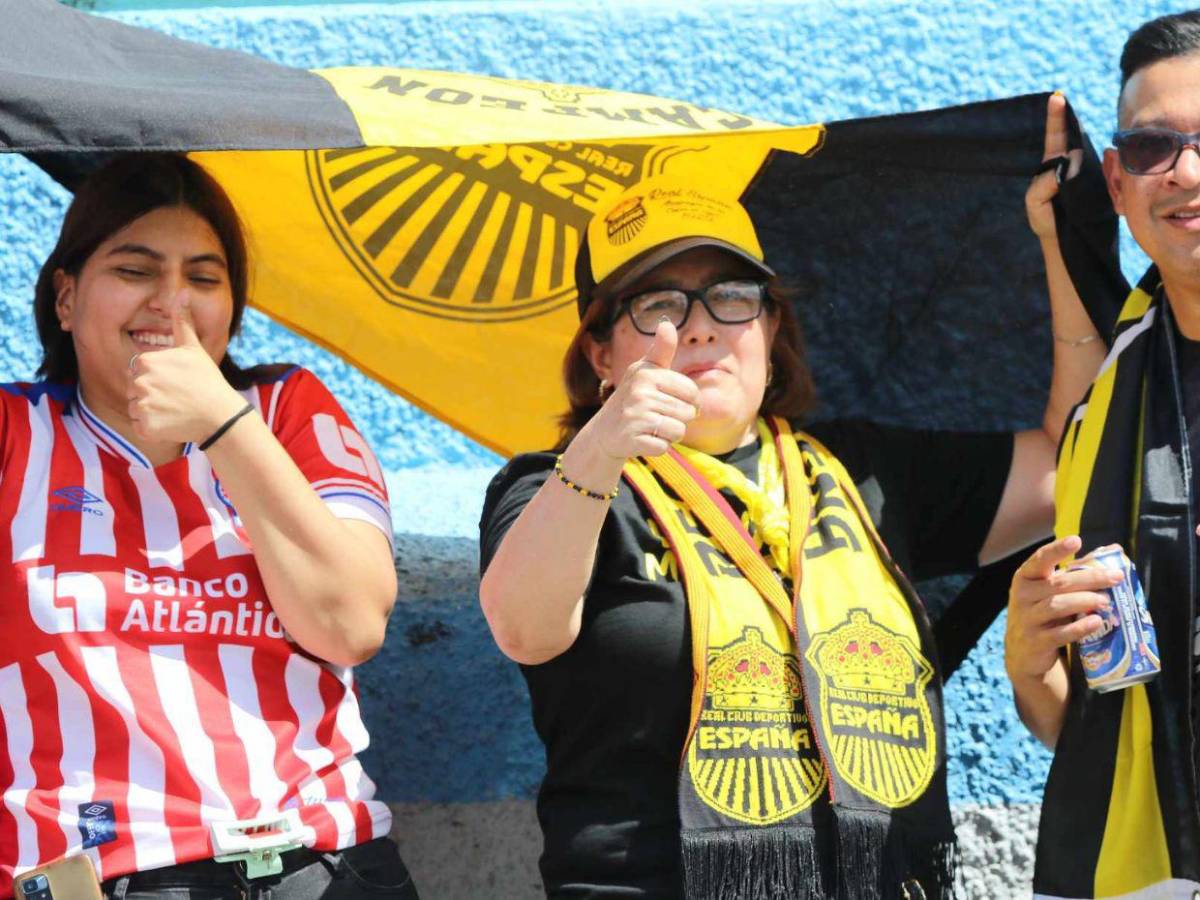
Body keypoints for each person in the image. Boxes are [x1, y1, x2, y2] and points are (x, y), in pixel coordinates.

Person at [478, 150, 1099, 898]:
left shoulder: (864, 470)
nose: (699, 328)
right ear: (602, 353)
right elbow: (524, 628)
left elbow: (1076, 457)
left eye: (731, 296)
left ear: (771, 329)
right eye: (657, 305)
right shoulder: (564, 488)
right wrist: (602, 446)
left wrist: (1065, 245)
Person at [0, 154, 417, 899]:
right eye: (135, 270)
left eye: (203, 277)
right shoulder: (14, 434)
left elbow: (350, 624)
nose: (173, 303)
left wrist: (224, 424)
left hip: (322, 864)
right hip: (102, 874)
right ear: (65, 297)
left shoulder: (287, 411)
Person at [1006, 11, 1200, 898]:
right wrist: (1028, 661)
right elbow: (1079, 725)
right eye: (1155, 146)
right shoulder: (1108, 406)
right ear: (1118, 183)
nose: (1186, 172)